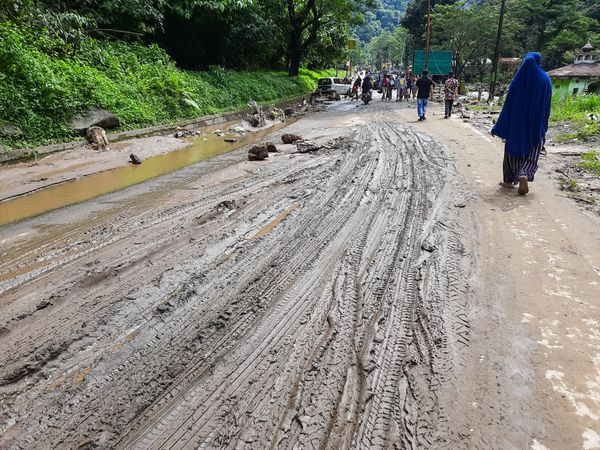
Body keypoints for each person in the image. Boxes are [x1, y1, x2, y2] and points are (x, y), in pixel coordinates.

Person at [491, 52, 552, 195]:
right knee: (533, 151)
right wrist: (543, 123)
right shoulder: (545, 80)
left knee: (511, 153)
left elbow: (508, 104)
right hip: (535, 124)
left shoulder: (517, 80)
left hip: (516, 125)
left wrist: (501, 125)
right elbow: (547, 105)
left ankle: (508, 181)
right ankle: (524, 173)